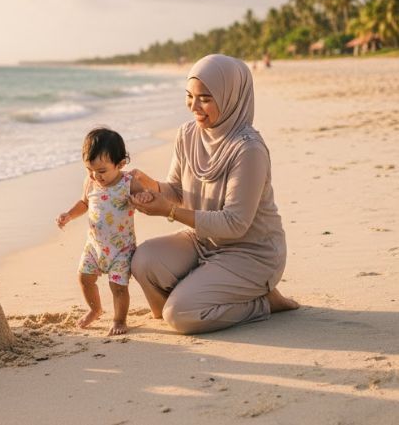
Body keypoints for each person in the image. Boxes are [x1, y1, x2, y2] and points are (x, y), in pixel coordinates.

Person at [129, 54, 298, 335]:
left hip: (251, 253)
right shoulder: (187, 134)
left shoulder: (248, 149)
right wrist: (149, 186)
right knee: (143, 261)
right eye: (189, 96)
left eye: (205, 98)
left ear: (230, 96)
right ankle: (203, 292)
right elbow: (178, 191)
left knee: (180, 315)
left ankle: (263, 303)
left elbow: (235, 223)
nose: (194, 106)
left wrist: (168, 211)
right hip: (203, 242)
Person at [55, 127, 153, 335]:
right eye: (89, 169)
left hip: (121, 248)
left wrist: (144, 197)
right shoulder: (90, 182)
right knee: (84, 278)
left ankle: (119, 320)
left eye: (101, 171)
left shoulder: (128, 183)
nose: (95, 176)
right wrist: (69, 215)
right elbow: (84, 203)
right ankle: (95, 309)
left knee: (118, 287)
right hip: (94, 246)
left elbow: (145, 196)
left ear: (120, 164)